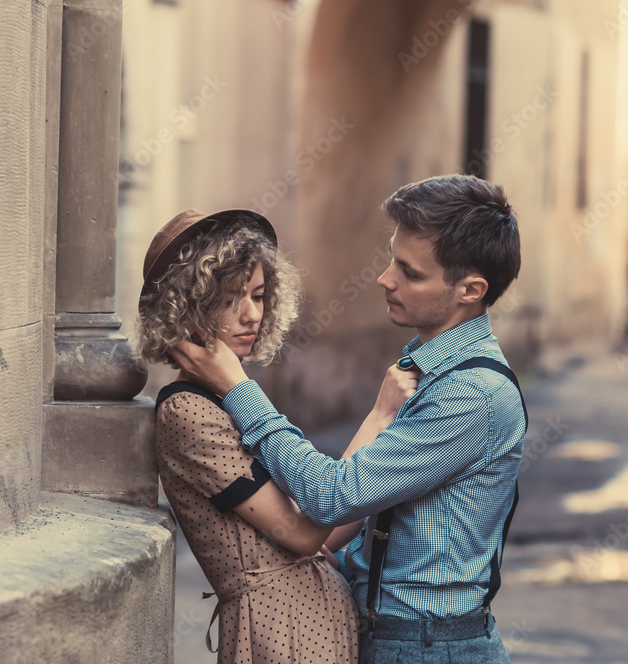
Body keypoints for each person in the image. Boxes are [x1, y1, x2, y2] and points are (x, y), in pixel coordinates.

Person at [170, 174, 526, 664]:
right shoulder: (428, 370)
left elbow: (333, 497)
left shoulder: (471, 395)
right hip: (393, 635)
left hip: (427, 648)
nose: (385, 279)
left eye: (410, 272)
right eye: (391, 260)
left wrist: (240, 390)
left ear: (470, 290)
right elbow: (364, 519)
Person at [137, 208, 419, 664]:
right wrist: (378, 418)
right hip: (278, 633)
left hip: (317, 625)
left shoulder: (232, 400)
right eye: (231, 299)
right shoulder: (186, 411)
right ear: (186, 308)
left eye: (258, 294)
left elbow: (323, 534)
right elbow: (305, 534)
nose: (251, 314)